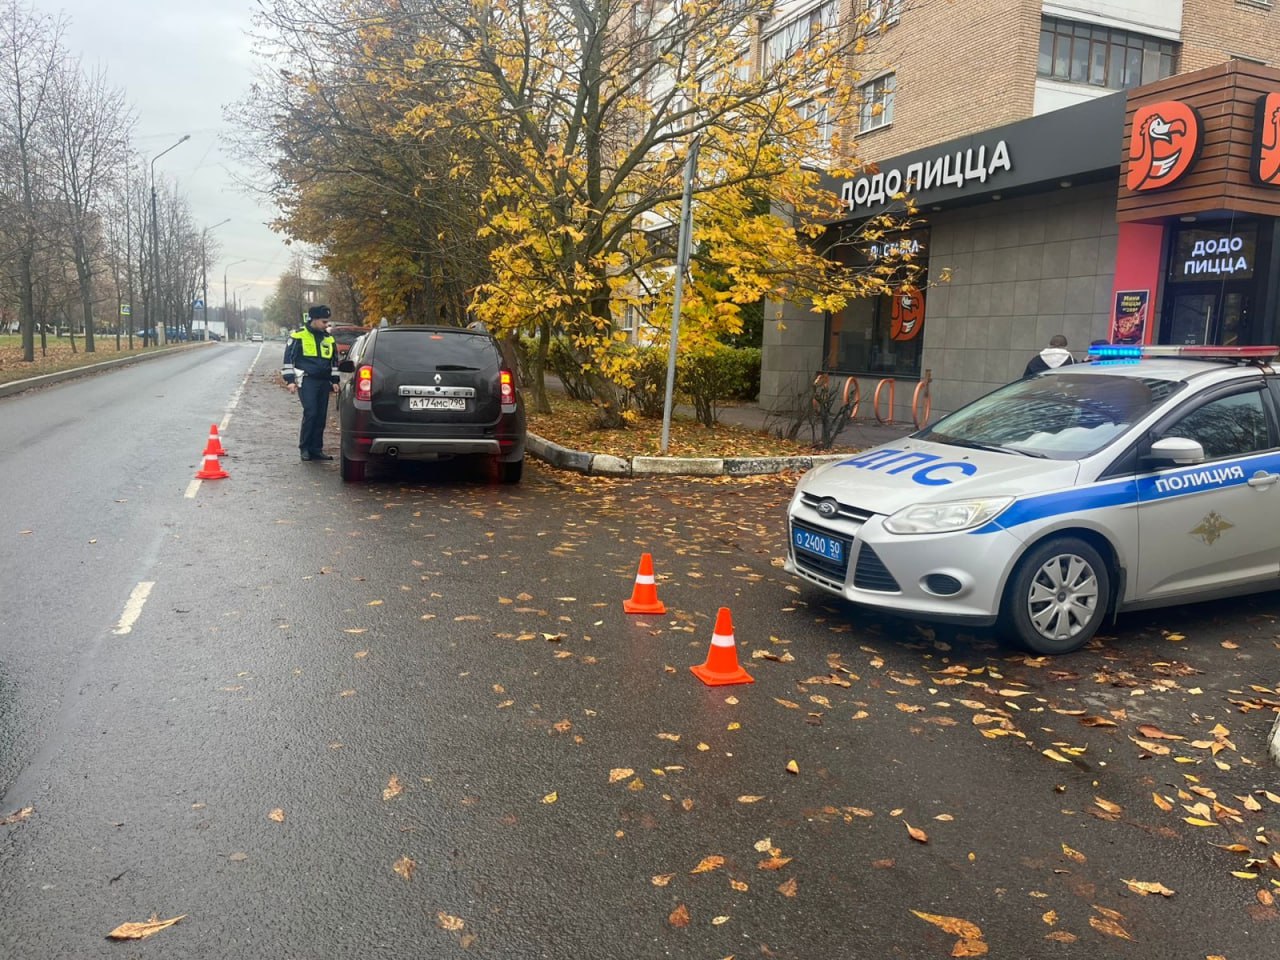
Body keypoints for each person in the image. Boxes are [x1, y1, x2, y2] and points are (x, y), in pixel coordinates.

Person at [283, 305, 340, 461]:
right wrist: (290, 381)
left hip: (323, 381)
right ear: (314, 320)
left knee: (321, 416)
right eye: (324, 321)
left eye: (327, 322)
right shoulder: (298, 336)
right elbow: (288, 360)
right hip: (306, 379)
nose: (326, 325)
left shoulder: (328, 338)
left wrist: (335, 380)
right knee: (311, 412)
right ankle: (305, 448)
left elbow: (334, 361)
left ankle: (316, 449)